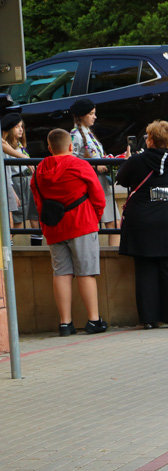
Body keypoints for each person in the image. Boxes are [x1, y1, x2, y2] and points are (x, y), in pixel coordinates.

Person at [31, 129, 107, 336]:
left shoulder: (39, 170)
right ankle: (93, 320)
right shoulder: (80, 165)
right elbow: (99, 197)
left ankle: (65, 323)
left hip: (54, 227)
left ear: (49, 148)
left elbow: (38, 200)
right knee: (86, 272)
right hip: (81, 223)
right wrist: (95, 216)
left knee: (61, 273)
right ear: (71, 146)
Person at [116, 120, 168, 328]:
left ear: (149, 140)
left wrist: (140, 153)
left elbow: (121, 179)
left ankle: (149, 320)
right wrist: (166, 143)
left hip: (143, 223)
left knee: (145, 270)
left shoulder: (137, 161)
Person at [69, 98, 121, 247]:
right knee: (97, 226)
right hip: (89, 185)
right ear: (81, 115)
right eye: (91, 113)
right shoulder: (75, 136)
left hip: (101, 184)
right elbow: (69, 162)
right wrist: (94, 167)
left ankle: (112, 258)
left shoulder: (88, 134)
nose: (95, 117)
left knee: (115, 223)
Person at [2, 114, 41, 244]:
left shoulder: (19, 145)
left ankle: (36, 247)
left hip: (27, 180)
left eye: (22, 127)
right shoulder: (5, 144)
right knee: (15, 221)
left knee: (34, 217)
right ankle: (9, 252)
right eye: (16, 127)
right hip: (15, 182)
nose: (21, 130)